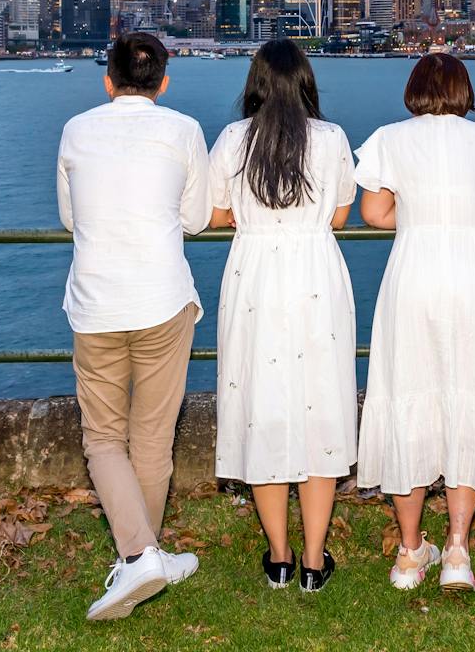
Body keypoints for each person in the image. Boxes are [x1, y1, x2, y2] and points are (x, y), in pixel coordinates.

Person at [354, 53, 475, 592]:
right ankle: (457, 549)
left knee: (408, 394)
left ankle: (410, 553)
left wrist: (415, 217)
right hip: (471, 279)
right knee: (469, 396)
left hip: (412, 275)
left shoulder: (389, 138)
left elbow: (374, 213)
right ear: (464, 90)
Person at [56, 32, 210, 621]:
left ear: (107, 80)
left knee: (103, 437)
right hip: (163, 300)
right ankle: (146, 553)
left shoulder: (76, 130)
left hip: (96, 302)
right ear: (163, 83)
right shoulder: (183, 130)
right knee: (152, 436)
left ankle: (140, 555)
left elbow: (71, 217)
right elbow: (196, 218)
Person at [207, 40, 358, 593]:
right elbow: (341, 212)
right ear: (307, 83)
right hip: (317, 272)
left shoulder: (231, 140)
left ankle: (279, 557)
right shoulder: (332, 139)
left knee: (261, 409)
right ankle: (315, 561)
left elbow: (215, 213)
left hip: (255, 277)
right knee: (321, 407)